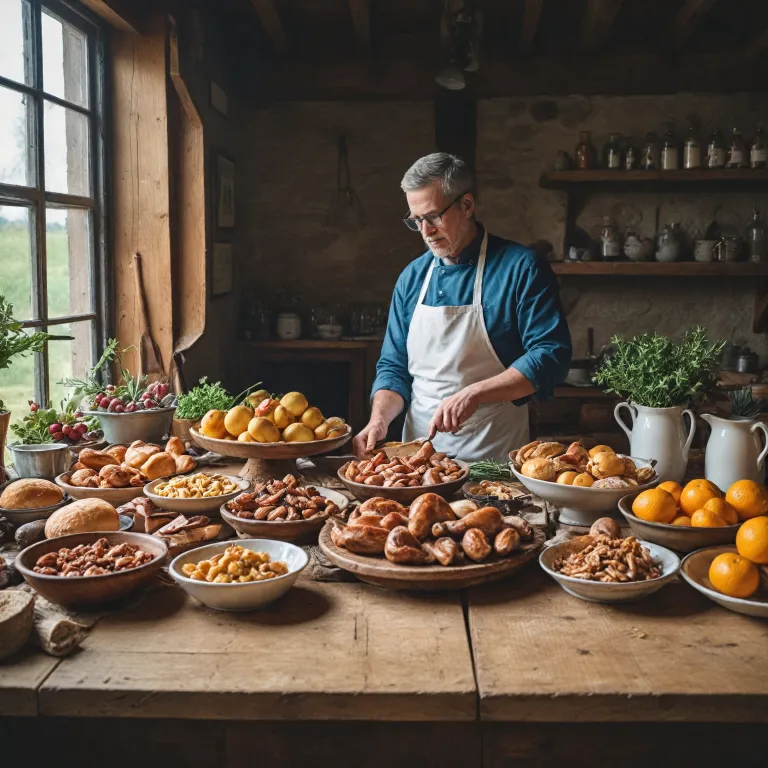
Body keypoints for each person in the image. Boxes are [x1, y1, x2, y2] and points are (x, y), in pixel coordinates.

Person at [352, 153, 571, 463]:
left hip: (493, 460)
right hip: (416, 462)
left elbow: (550, 356)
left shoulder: (521, 268)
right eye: (416, 221)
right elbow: (394, 367)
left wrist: (474, 393)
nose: (425, 231)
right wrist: (378, 420)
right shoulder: (412, 278)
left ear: (467, 205)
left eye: (433, 217)